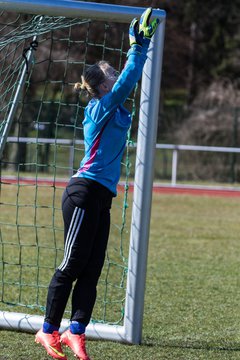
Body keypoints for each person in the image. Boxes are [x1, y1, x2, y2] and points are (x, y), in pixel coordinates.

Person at [35, 8, 159, 360]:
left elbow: (125, 85)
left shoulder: (116, 109)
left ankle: (76, 332)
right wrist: (139, 45)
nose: (118, 79)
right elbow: (128, 80)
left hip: (101, 197)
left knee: (93, 267)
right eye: (113, 76)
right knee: (72, 264)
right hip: (83, 192)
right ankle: (47, 330)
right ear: (103, 86)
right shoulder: (99, 108)